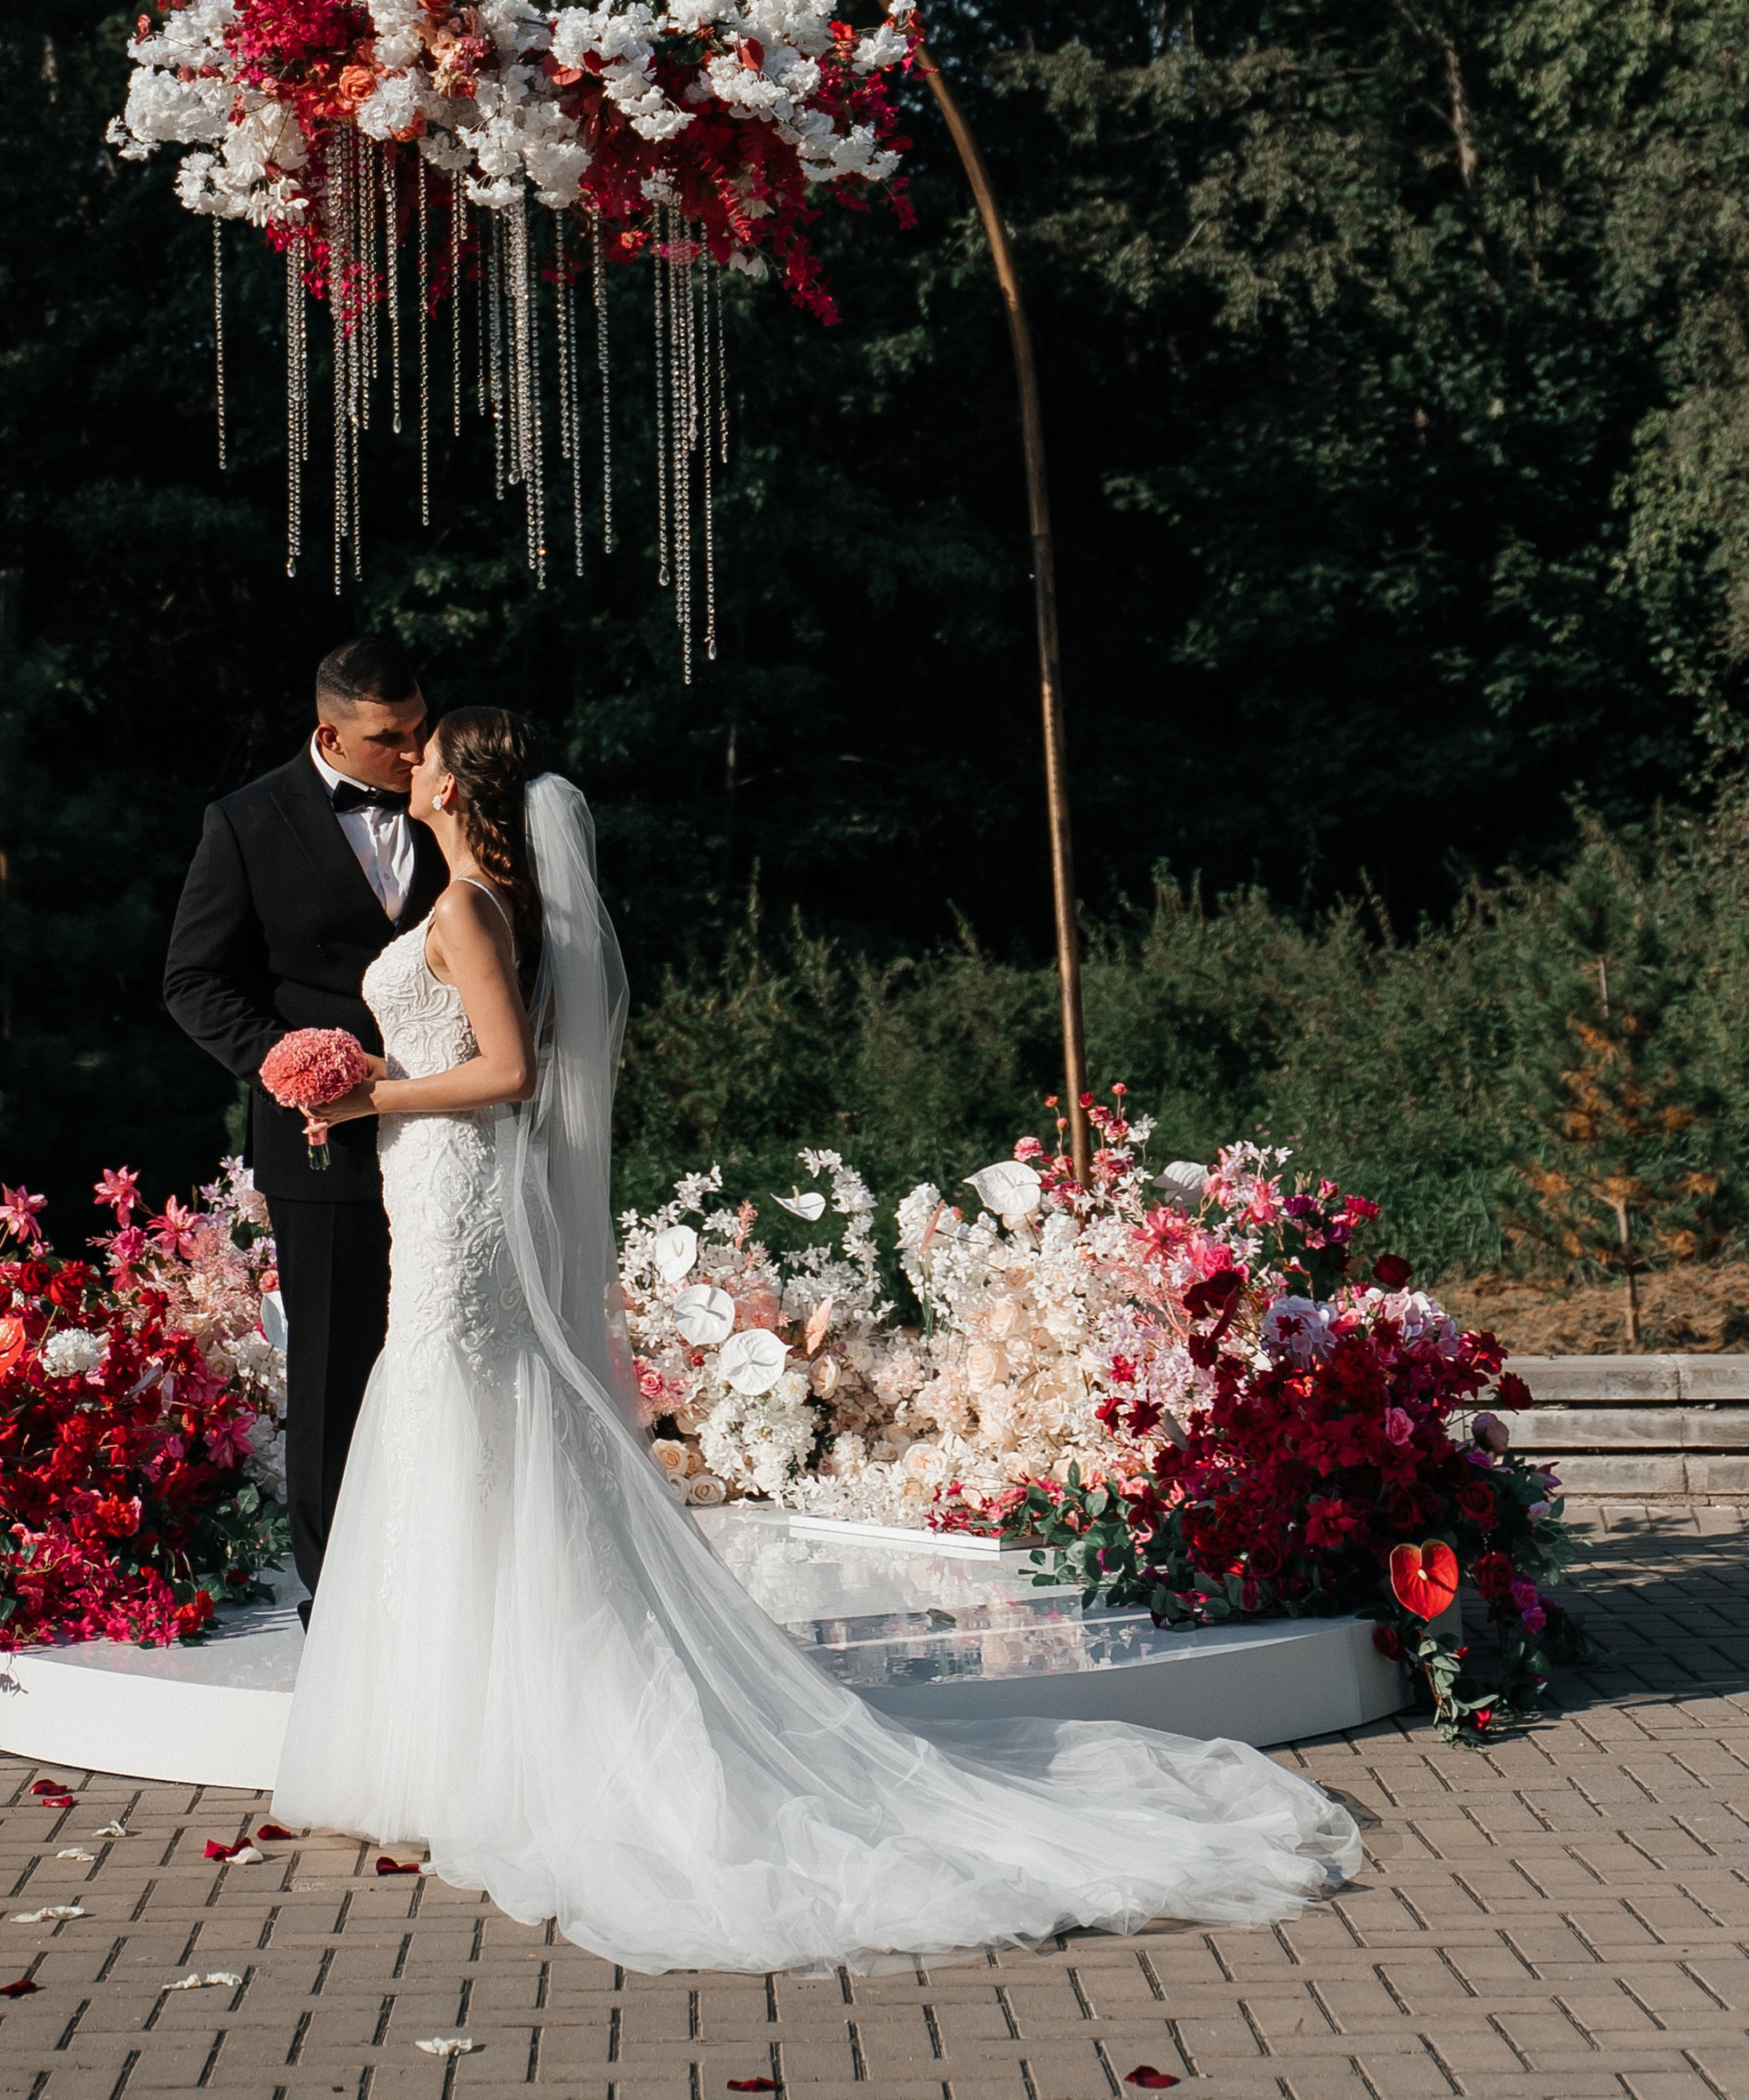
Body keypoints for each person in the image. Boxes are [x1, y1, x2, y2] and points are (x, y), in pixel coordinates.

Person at [267, 705, 1362, 1974]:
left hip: (455, 1178)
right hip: (437, 1181)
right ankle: (451, 1733)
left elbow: (506, 1072)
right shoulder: (485, 904)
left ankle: (482, 1745)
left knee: (457, 1409)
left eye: (428, 754)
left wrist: (370, 1091)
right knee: (457, 1423)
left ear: (455, 786)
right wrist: (365, 1092)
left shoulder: (468, 910)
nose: (412, 767)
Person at [162, 635, 443, 1607]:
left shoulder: (452, 802)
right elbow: (192, 978)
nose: (412, 755)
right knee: (333, 1363)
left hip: (454, 1127)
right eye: (389, 739)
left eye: (419, 730)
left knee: (450, 1347)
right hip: (320, 1138)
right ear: (328, 731)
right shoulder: (244, 822)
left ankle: (446, 1567)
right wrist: (279, 1058)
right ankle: (340, 1591)